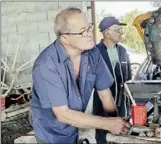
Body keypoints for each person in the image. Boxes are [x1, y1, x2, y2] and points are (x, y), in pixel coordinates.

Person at [31, 8, 130, 144]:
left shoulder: (93, 54)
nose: (90, 34)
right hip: (51, 135)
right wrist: (107, 124)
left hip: (75, 129)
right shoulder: (46, 66)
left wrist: (116, 123)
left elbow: (105, 94)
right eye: (83, 31)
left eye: (89, 28)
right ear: (65, 38)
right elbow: (63, 114)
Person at [93, 16, 132, 144]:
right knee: (103, 135)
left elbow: (129, 77)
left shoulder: (122, 51)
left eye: (121, 30)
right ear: (107, 33)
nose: (121, 33)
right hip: (102, 103)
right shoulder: (95, 53)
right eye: (117, 30)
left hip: (123, 103)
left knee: (122, 132)